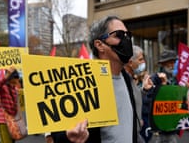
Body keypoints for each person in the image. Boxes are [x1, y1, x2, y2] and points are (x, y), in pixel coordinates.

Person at [50, 15, 137, 143]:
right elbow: (58, 133)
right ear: (99, 45)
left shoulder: (126, 78)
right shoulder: (82, 82)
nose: (126, 40)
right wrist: (69, 137)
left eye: (127, 35)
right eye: (118, 35)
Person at [123, 45, 146, 143]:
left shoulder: (132, 79)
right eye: (140, 59)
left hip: (136, 131)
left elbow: (134, 98)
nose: (143, 62)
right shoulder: (124, 81)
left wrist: (144, 89)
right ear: (130, 63)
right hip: (129, 134)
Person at [0, 67, 20, 143]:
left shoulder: (15, 90)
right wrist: (7, 74)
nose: (16, 80)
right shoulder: (3, 88)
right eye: (14, 77)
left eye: (17, 77)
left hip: (13, 120)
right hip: (4, 121)